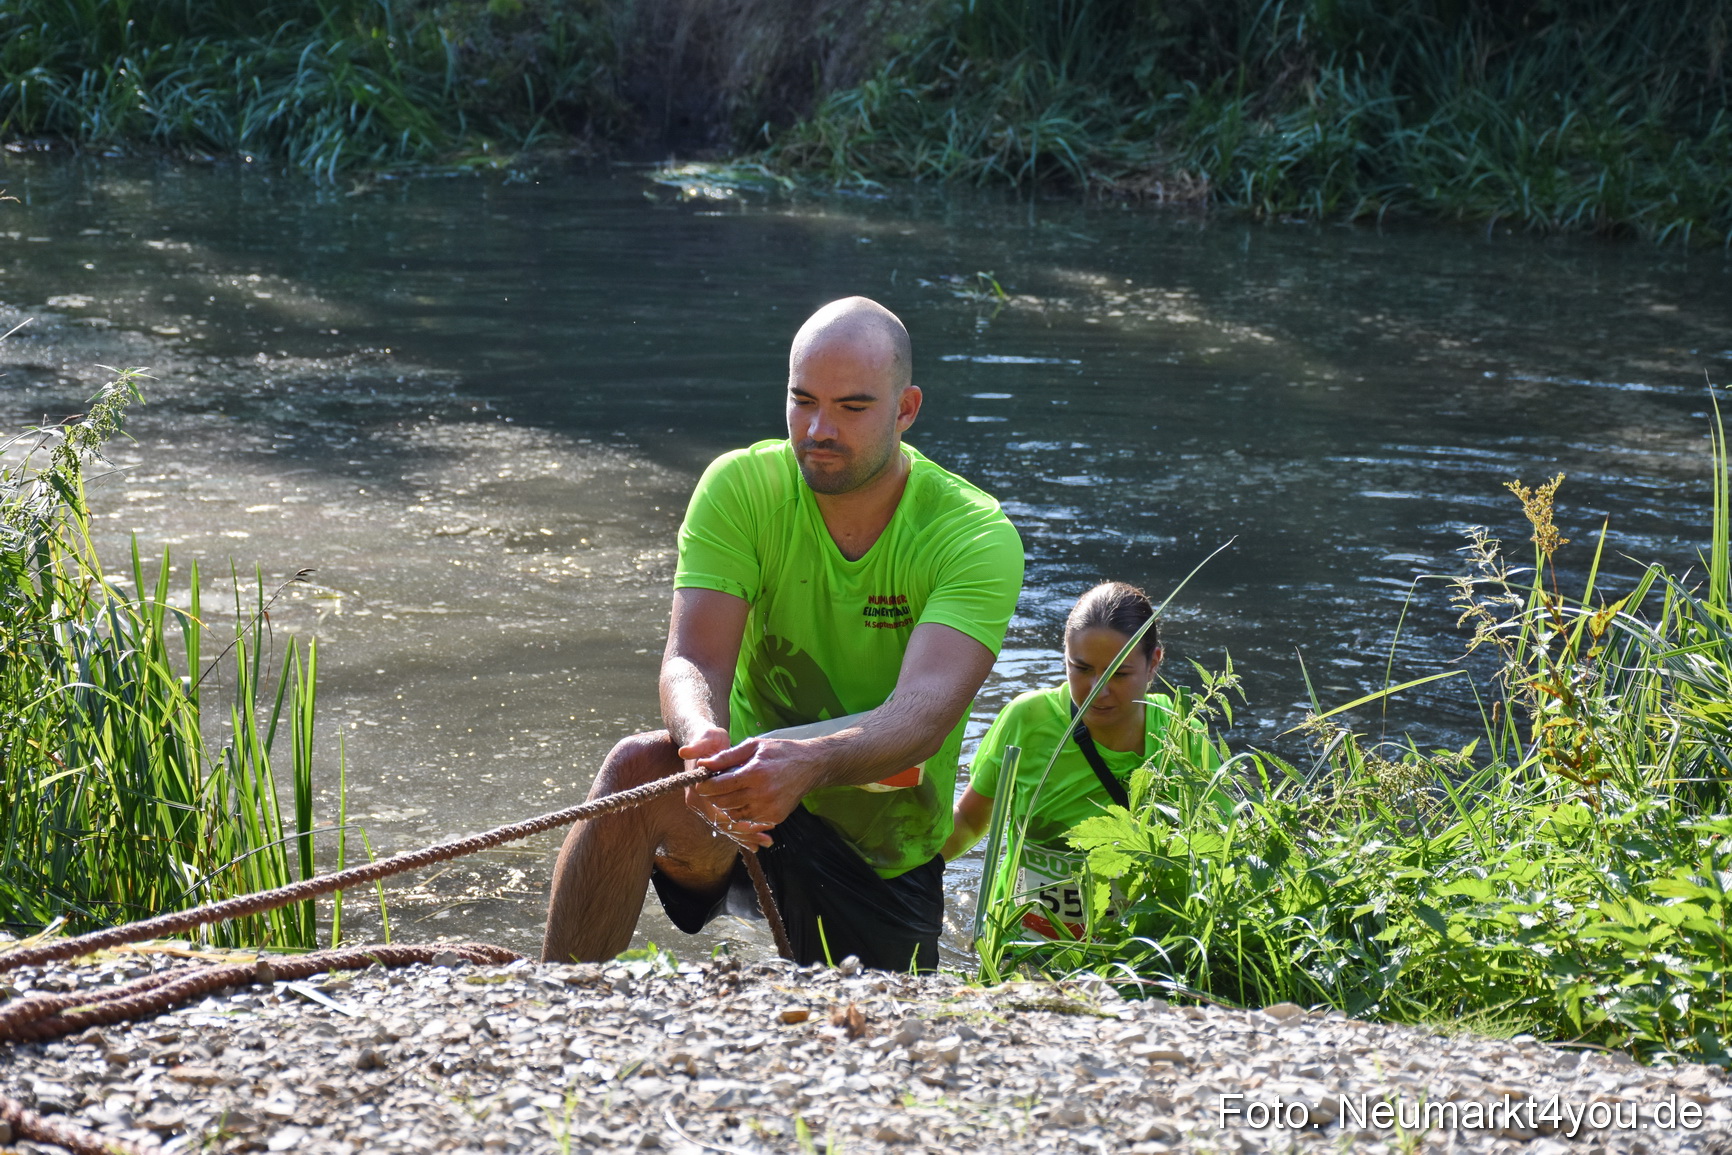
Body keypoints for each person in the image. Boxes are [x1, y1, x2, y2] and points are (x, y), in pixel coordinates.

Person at [542, 296, 1024, 971]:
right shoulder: (740, 486)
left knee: (874, 1044)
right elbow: (691, 659)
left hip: (879, 845)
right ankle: (556, 998)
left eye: (852, 408)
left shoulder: (972, 534)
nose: (820, 428)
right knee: (636, 768)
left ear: (906, 409)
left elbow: (924, 715)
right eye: (803, 401)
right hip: (738, 802)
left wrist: (812, 760)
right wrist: (697, 734)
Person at [942, 581, 1217, 938]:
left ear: (1154, 664)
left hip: (1133, 957)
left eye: (1119, 673)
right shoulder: (1027, 721)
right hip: (1023, 947)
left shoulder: (1181, 736)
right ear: (1065, 657)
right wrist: (886, 864)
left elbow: (1216, 851)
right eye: (1081, 669)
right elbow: (967, 822)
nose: (1098, 690)